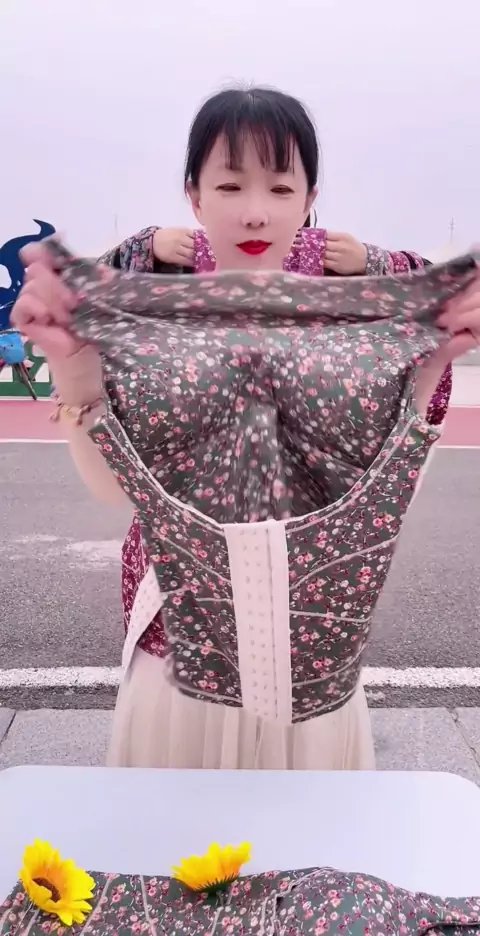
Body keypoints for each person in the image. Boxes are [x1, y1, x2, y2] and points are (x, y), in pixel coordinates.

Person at [13, 86, 477, 771]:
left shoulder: (351, 316)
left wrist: (427, 349)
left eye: (281, 188)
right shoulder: (147, 311)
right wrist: (77, 371)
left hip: (310, 642)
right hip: (178, 633)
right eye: (229, 185)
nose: (255, 210)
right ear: (194, 196)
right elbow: (115, 490)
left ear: (309, 198)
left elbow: (385, 491)